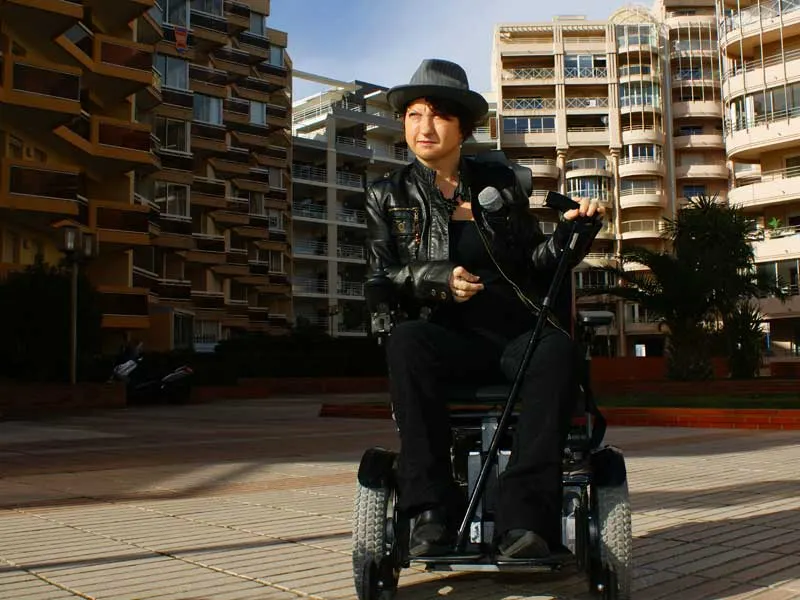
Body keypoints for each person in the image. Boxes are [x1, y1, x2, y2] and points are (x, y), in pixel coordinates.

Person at [365, 59, 605, 559]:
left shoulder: (501, 184)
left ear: (464, 128)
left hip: (512, 335)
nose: (424, 126)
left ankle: (525, 522)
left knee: (557, 352)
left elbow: (535, 263)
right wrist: (436, 278)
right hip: (443, 338)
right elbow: (380, 276)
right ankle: (431, 513)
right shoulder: (386, 195)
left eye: (439, 115)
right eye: (413, 114)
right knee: (407, 341)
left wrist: (571, 236)